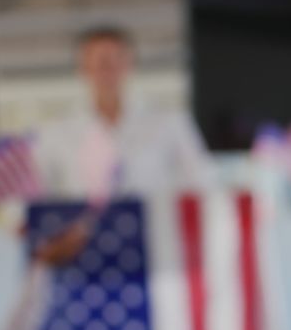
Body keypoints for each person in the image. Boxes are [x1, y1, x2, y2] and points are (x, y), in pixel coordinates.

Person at [32, 26, 214, 201]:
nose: (108, 69)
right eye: (100, 62)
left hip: (154, 229)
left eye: (116, 60)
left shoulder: (172, 123)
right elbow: (40, 193)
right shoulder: (54, 132)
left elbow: (200, 185)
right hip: (83, 231)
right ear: (83, 67)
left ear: (130, 64)